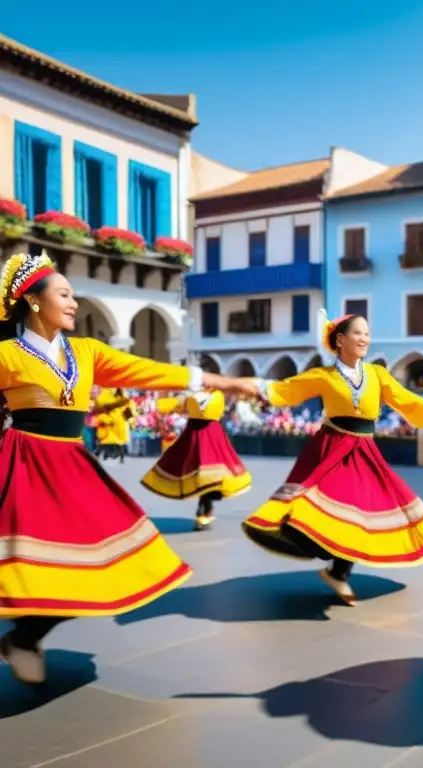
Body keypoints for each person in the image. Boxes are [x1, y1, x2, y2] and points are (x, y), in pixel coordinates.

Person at [0, 252, 252, 684]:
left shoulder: (88, 351)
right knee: (29, 566)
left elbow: (151, 372)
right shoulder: (6, 354)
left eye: (74, 294)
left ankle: (25, 636)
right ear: (34, 301)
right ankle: (25, 635)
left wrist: (223, 382)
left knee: (95, 564)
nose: (74, 302)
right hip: (23, 464)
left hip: (71, 467)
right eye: (64, 293)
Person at [241, 313, 423, 605]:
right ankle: (326, 556)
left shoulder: (377, 375)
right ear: (340, 340)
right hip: (332, 449)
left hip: (364, 450)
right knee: (328, 508)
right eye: (358, 333)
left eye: (367, 334)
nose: (364, 339)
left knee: (364, 512)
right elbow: (284, 390)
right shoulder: (323, 376)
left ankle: (337, 572)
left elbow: (407, 400)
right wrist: (242, 386)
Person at [140, 391, 253, 531]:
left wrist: (157, 405)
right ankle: (203, 512)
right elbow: (216, 412)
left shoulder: (192, 398)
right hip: (211, 434)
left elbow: (177, 406)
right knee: (210, 476)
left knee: (202, 474)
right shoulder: (216, 397)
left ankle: (203, 511)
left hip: (195, 433)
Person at [94, 387, 133, 462]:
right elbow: (99, 409)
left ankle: (117, 457)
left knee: (115, 441)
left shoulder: (121, 395)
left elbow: (128, 407)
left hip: (117, 423)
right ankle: (104, 456)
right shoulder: (106, 394)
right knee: (109, 441)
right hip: (110, 424)